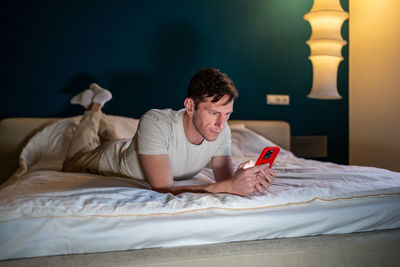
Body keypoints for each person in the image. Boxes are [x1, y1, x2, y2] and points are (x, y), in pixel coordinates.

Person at [63, 68, 275, 196]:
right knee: (72, 161)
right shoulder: (155, 122)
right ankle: (94, 106)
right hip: (113, 158)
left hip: (139, 151)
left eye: (228, 114)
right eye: (214, 113)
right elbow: (163, 188)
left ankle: (99, 109)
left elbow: (227, 183)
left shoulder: (222, 129)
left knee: (125, 143)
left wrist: (245, 180)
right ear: (190, 106)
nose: (222, 123)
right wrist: (229, 186)